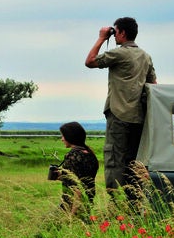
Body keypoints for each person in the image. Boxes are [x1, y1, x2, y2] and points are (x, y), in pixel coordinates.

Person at [85, 16, 156, 203]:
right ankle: (135, 202)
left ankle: (115, 203)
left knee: (115, 159)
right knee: (135, 161)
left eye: (115, 31)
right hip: (138, 117)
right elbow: (153, 85)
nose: (113, 35)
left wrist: (101, 38)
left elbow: (90, 61)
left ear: (122, 33)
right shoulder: (145, 56)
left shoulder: (119, 53)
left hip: (118, 113)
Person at [54, 121, 99, 216]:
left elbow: (77, 188)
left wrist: (72, 214)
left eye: (63, 136)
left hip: (71, 205)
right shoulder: (89, 153)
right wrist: (63, 176)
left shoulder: (73, 156)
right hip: (88, 203)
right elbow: (82, 177)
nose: (62, 139)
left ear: (70, 137)